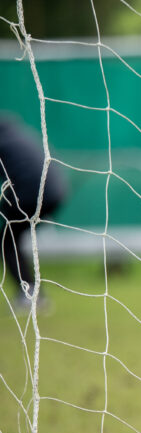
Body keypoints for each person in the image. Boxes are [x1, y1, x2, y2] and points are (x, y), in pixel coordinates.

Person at [1, 113, 67, 311]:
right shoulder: (19, 135)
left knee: (7, 241)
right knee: (10, 239)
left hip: (33, 193)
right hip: (55, 191)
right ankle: (32, 292)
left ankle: (29, 294)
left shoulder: (5, 141)